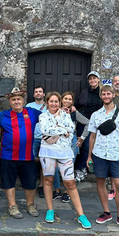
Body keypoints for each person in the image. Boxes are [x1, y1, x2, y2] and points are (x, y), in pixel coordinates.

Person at [38, 92, 92, 228]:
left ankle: (81, 215)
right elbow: (45, 130)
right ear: (47, 102)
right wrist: (62, 130)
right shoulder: (42, 116)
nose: (54, 104)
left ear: (59, 103)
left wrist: (58, 129)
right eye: (51, 101)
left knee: (70, 183)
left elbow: (71, 129)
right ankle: (50, 210)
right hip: (47, 152)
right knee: (48, 180)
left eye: (56, 101)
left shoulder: (66, 115)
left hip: (65, 152)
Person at [87, 85, 119, 232]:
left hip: (117, 154)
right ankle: (106, 212)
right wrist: (89, 155)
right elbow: (92, 136)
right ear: (101, 96)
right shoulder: (96, 115)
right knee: (100, 182)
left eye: (108, 94)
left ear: (113, 95)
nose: (106, 96)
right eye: (104, 94)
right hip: (100, 153)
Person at [0, 87, 42, 219]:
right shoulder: (4, 115)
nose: (16, 101)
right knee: (9, 182)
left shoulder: (32, 113)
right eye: (13, 100)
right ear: (10, 102)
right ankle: (12, 206)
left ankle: (30, 204)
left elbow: (48, 116)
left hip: (27, 155)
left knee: (30, 182)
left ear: (23, 100)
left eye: (19, 99)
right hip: (8, 155)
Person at [59, 91, 90, 203]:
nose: (67, 101)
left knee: (69, 167)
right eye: (65, 99)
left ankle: (67, 192)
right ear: (61, 99)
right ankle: (57, 189)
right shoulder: (55, 110)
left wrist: (82, 138)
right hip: (57, 140)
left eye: (70, 99)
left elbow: (88, 123)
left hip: (71, 141)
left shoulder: (74, 113)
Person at [74, 71, 103, 182]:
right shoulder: (84, 92)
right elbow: (79, 104)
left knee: (90, 146)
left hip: (98, 124)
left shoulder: (102, 92)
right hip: (84, 122)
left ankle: (82, 168)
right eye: (90, 79)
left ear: (98, 79)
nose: (92, 81)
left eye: (94, 78)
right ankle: (80, 168)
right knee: (81, 146)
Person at [25, 86, 49, 199]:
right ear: (34, 94)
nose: (38, 93)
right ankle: (31, 183)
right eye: (36, 92)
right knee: (32, 161)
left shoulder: (49, 106)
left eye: (40, 91)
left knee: (44, 163)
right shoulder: (29, 106)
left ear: (44, 94)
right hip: (33, 137)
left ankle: (42, 186)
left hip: (46, 138)